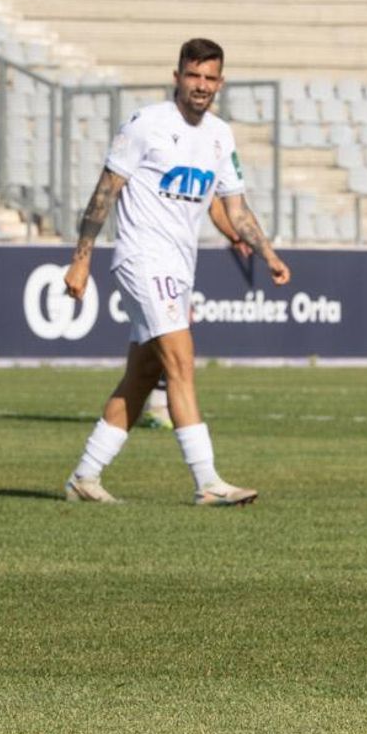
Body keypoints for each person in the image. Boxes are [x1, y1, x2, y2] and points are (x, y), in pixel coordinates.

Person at [63, 38, 290, 506]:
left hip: (179, 266)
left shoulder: (220, 136)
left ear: (220, 83)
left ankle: (84, 478)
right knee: (182, 361)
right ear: (177, 77)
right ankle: (207, 480)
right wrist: (81, 258)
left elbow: (236, 207)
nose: (201, 86)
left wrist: (266, 253)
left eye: (210, 78)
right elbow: (106, 191)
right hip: (142, 258)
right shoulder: (147, 124)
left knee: (144, 374)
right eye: (193, 76)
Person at [136, 198, 254, 430]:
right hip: (153, 254)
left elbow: (215, 205)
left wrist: (235, 235)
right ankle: (159, 408)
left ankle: (153, 406)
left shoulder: (204, 167)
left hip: (178, 259)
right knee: (171, 333)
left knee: (155, 342)